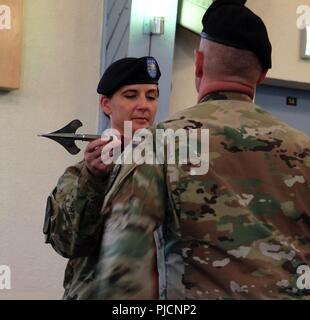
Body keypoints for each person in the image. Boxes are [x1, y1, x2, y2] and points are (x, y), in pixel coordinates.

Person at [94, 0, 310, 299]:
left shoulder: (158, 143)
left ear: (198, 63)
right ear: (261, 76)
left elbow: (123, 270)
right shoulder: (304, 149)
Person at [43, 56, 161, 299]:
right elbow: (68, 244)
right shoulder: (79, 175)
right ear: (106, 104)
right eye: (131, 95)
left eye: (151, 96)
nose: (144, 105)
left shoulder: (167, 165)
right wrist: (94, 180)